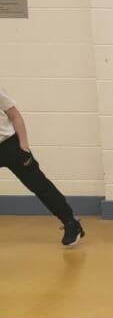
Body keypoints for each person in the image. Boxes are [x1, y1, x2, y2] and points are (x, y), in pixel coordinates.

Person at [0, 89, 84, 247]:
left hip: (10, 146)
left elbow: (15, 115)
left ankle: (70, 222)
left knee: (39, 185)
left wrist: (23, 144)